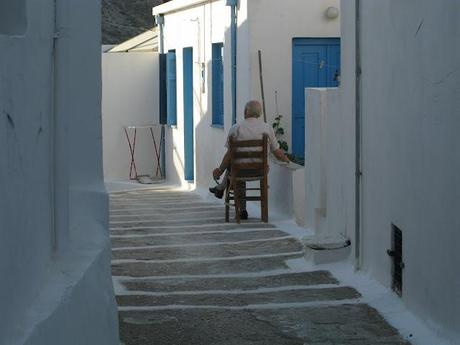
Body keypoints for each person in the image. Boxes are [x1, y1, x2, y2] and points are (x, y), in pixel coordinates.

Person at [209, 100, 290, 219]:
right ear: (260, 113)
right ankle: (223, 191)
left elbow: (229, 155)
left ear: (245, 112)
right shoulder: (267, 128)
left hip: (239, 171)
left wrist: (219, 171)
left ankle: (240, 208)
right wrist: (287, 160)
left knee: (234, 167)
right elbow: (277, 151)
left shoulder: (235, 128)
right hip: (260, 171)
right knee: (235, 167)